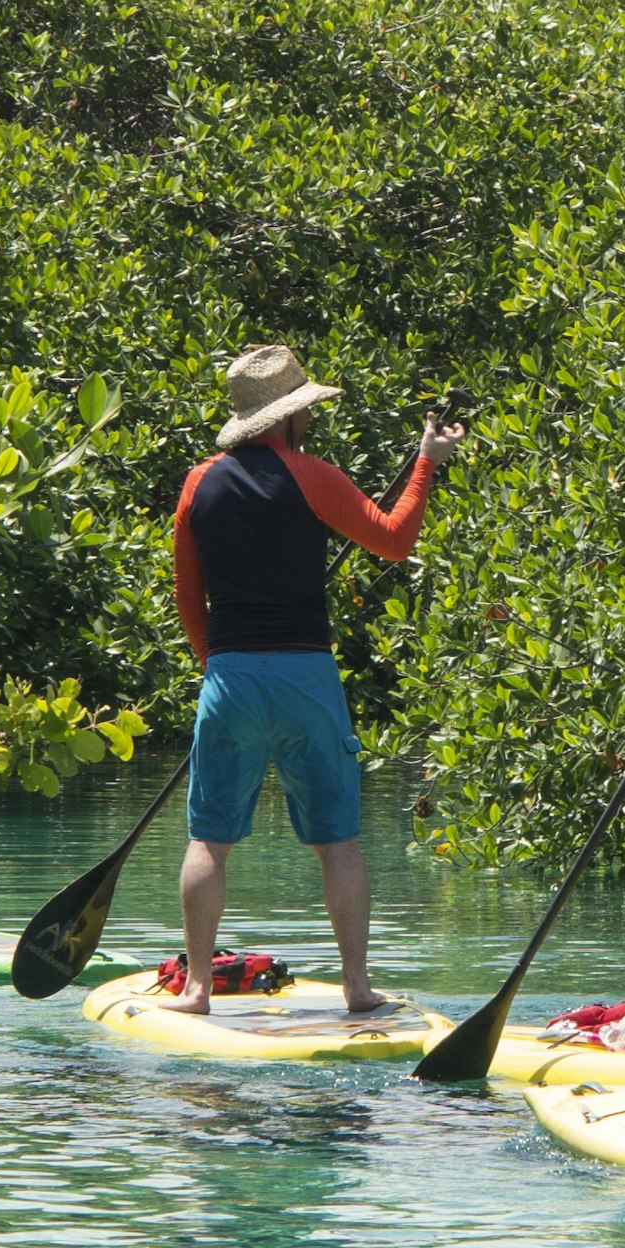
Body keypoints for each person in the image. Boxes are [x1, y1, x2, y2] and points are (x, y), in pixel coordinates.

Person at [168, 343, 462, 1013]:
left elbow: (189, 593)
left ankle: (196, 988)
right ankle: (357, 988)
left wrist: (212, 664)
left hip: (231, 676)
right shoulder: (313, 475)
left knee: (209, 839)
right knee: (338, 841)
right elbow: (393, 539)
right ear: (291, 417)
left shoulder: (197, 482)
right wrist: (425, 462)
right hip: (307, 676)